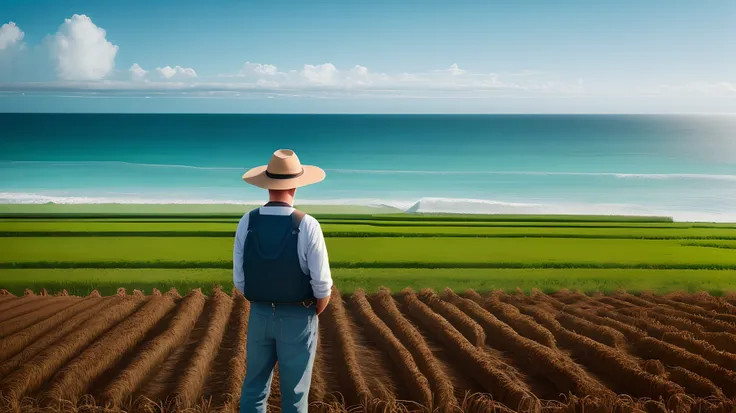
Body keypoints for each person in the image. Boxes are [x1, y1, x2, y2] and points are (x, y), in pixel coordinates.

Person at [233, 149, 333, 413]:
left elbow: (240, 282)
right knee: (295, 394)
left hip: (260, 315)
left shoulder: (247, 221)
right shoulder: (307, 224)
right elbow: (322, 286)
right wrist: (308, 313)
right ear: (296, 185)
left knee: (254, 387)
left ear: (267, 185)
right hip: (297, 317)